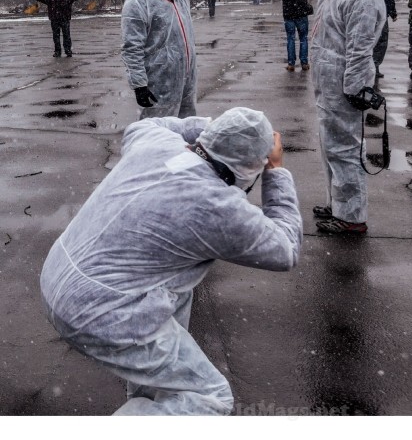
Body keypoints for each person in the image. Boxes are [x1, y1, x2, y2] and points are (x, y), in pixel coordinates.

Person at [39, 107, 302, 416]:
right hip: (102, 312)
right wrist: (276, 171)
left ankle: (150, 406)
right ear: (248, 168)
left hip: (59, 276)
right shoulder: (219, 206)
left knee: (174, 321)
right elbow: (285, 249)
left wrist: (209, 126)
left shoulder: (157, 143)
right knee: (207, 397)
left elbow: (150, 122)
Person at [259, 0, 385, 235]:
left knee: (344, 150)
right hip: (329, 84)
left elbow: (359, 49)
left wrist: (357, 87)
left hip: (345, 86)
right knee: (330, 146)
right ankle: (337, 205)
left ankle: (352, 217)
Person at [121, 0, 256, 117]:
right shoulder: (137, 2)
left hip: (187, 76)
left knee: (186, 129)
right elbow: (131, 48)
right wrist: (139, 85)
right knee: (159, 133)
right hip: (159, 80)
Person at [25, 0, 104, 57]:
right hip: (54, 19)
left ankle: (68, 51)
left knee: (66, 36)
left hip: (64, 18)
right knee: (56, 37)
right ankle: (57, 52)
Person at [276, 0, 317, 72]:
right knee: (303, 39)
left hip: (289, 15)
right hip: (301, 14)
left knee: (290, 38)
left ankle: (291, 64)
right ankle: (304, 63)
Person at [368, 0, 397, 78]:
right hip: (380, 15)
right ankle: (375, 66)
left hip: (366, 14)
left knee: (365, 40)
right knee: (381, 40)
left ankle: (363, 66)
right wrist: (393, 13)